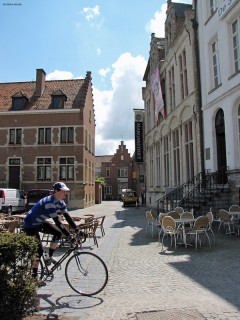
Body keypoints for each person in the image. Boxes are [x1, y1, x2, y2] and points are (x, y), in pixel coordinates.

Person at [23, 182, 78, 285]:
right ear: (57, 191)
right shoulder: (50, 202)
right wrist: (69, 235)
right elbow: (57, 221)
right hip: (30, 225)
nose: (66, 193)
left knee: (57, 233)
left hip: (39, 222)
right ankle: (34, 277)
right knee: (38, 252)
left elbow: (67, 216)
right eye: (63, 191)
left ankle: (49, 257)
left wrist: (77, 229)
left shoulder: (61, 202)